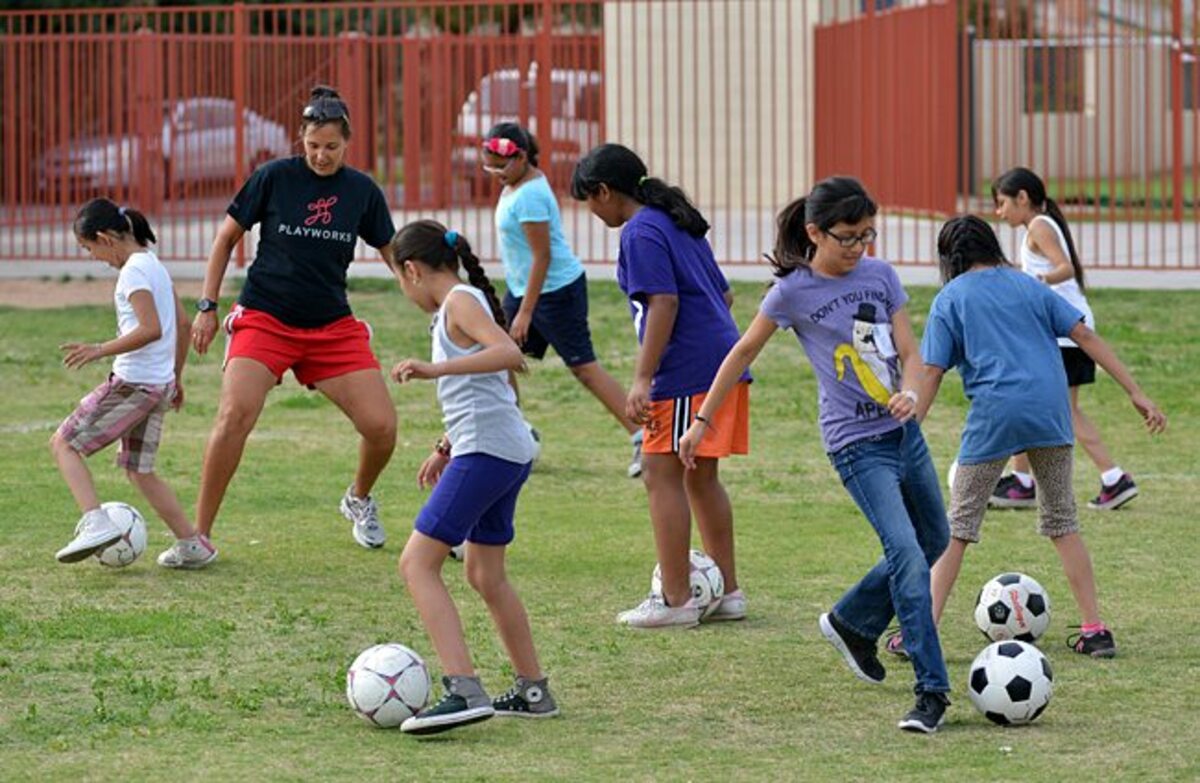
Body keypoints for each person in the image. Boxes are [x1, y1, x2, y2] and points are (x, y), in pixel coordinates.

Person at [681, 177, 953, 732]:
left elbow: (910, 350)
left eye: (867, 236)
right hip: (856, 445)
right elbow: (743, 350)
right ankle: (932, 690)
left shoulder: (880, 275)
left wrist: (913, 396)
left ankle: (852, 621)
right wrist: (703, 420)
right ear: (814, 232)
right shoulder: (792, 292)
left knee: (935, 538)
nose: (858, 248)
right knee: (905, 551)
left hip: (904, 434)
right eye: (848, 237)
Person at [886, 215, 1167, 662]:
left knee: (955, 529)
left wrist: (909, 431)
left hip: (996, 416)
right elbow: (1084, 334)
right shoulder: (1029, 286)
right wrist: (1136, 392)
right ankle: (1095, 629)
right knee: (1062, 521)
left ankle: (922, 632)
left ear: (951, 258)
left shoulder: (951, 298)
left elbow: (932, 372)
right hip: (1051, 415)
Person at [190, 86, 397, 549]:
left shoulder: (361, 191)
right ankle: (197, 535)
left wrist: (436, 300)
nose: (321, 156)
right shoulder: (274, 177)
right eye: (312, 145)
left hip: (330, 325)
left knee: (382, 428)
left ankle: (358, 499)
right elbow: (225, 239)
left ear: (348, 143)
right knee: (233, 416)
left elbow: (393, 252)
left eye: (331, 147)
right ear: (300, 139)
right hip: (265, 316)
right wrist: (207, 306)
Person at [386, 220, 557, 735]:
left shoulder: (459, 302)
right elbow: (488, 389)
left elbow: (509, 356)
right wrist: (446, 444)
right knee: (484, 574)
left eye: (399, 278)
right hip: (499, 451)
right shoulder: (457, 306)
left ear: (412, 270)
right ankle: (533, 690)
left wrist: (434, 371)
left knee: (417, 564)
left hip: (488, 454)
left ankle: (463, 688)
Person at [572, 143, 748, 630]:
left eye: (588, 200)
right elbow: (725, 294)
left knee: (658, 472)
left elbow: (663, 303)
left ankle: (676, 600)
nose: (590, 211)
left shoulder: (641, 231)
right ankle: (728, 591)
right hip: (719, 363)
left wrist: (644, 377)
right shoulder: (675, 220)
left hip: (685, 373)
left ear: (605, 192)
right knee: (700, 476)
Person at [52, 198, 216, 569]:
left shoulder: (133, 272)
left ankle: (95, 523)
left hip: (134, 385)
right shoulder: (154, 265)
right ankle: (193, 545)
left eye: (89, 248)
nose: (94, 257)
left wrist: (99, 349)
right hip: (157, 387)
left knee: (64, 444)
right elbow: (184, 326)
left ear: (105, 238)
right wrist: (175, 378)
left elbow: (151, 329)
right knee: (139, 470)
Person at [481, 123, 643, 478]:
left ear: (521, 157)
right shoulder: (515, 184)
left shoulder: (531, 196)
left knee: (584, 368)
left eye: (501, 165)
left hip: (553, 292)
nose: (495, 174)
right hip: (524, 291)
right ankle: (515, 435)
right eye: (489, 166)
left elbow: (542, 257)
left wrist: (525, 314)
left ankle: (642, 437)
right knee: (496, 356)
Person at [989, 167, 1139, 511]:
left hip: (1066, 334)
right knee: (1028, 401)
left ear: (1022, 198)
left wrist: (1034, 283)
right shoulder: (1038, 226)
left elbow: (1065, 268)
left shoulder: (1039, 226)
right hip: (1061, 332)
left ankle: (1113, 477)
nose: (999, 212)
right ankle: (1023, 481)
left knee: (1062, 411)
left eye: (1002, 203)